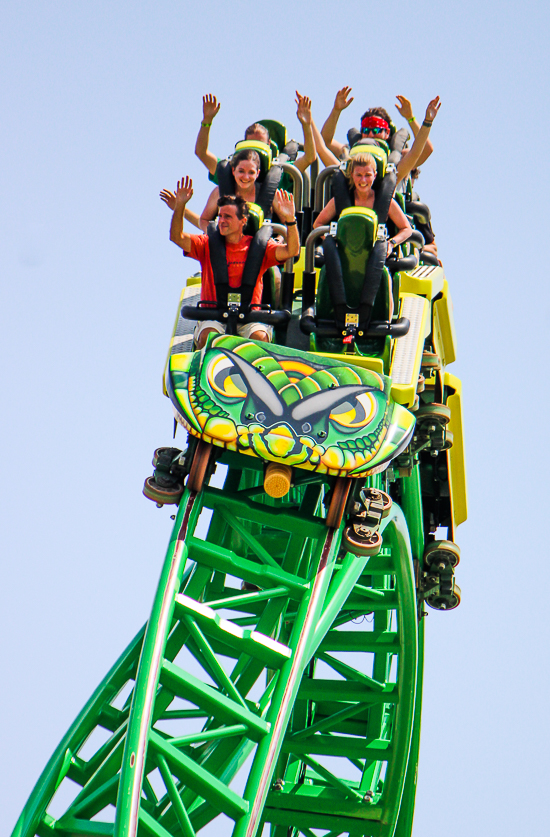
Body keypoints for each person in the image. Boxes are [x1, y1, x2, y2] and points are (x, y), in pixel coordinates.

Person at [169, 178, 300, 348]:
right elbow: (176, 237)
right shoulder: (207, 244)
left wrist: (290, 220)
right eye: (220, 216)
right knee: (209, 336)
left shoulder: (260, 247)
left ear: (242, 221)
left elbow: (292, 251)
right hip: (214, 316)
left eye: (228, 217)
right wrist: (180, 206)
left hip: (249, 318)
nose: (221, 220)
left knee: (259, 337)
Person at [320, 87, 440, 186]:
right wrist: (336, 110)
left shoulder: (399, 155)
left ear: (387, 133)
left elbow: (426, 149)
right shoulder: (350, 152)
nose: (371, 134)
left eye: (376, 130)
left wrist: (411, 118)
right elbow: (324, 142)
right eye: (366, 130)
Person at [195, 93, 316, 178]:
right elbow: (201, 153)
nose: (256, 151)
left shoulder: (281, 172)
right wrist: (207, 121)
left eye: (260, 145)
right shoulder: (232, 171)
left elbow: (309, 157)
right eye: (252, 145)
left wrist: (306, 125)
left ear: (269, 145)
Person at [313, 152, 412, 256]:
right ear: (352, 174)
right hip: (346, 254)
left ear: (375, 175)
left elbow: (407, 229)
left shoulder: (385, 202)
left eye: (368, 175)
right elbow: (317, 224)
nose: (363, 180)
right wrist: (333, 242)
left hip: (377, 256)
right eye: (359, 175)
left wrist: (391, 244)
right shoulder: (340, 200)